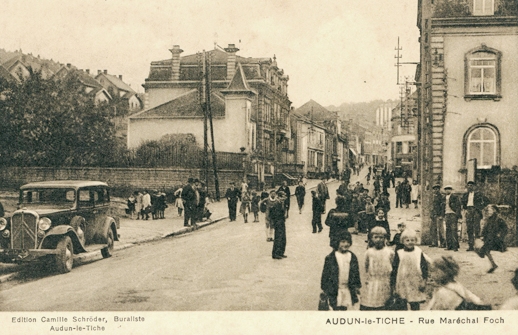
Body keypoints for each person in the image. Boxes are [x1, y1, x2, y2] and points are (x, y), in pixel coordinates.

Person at [320, 231, 361, 311]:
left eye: (348, 242)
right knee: (335, 307)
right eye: (343, 242)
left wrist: (357, 286)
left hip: (348, 288)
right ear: (337, 242)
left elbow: (356, 272)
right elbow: (325, 274)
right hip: (335, 289)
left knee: (347, 307)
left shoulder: (352, 257)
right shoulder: (331, 258)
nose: (346, 244)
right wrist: (325, 288)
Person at [390, 228, 430, 310]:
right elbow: (395, 268)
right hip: (402, 282)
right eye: (407, 240)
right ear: (403, 241)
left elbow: (424, 266)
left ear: (415, 241)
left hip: (415, 281)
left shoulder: (418, 252)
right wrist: (393, 284)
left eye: (412, 240)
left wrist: (424, 280)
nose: (410, 242)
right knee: (401, 302)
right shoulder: (399, 253)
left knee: (415, 303)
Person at [361, 226, 395, 310]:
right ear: (371, 238)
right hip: (372, 281)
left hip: (385, 281)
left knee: (384, 303)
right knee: (371, 303)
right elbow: (365, 267)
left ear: (385, 239)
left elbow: (393, 266)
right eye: (376, 237)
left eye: (381, 237)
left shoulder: (389, 252)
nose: (378, 239)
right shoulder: (369, 252)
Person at [479, 204, 508, 273]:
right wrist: (482, 235)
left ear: (494, 211)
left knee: (485, 250)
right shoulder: (488, 219)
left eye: (490, 211)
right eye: (488, 211)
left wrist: (500, 236)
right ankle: (493, 264)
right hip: (488, 238)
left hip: (494, 238)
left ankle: (493, 265)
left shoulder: (498, 219)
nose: (488, 212)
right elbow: (485, 228)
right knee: (485, 251)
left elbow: (505, 228)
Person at [461, 181, 489, 252]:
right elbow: (463, 202)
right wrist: (465, 208)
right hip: (468, 211)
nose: (470, 187)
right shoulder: (465, 195)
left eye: (471, 185)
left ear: (474, 187)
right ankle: (471, 246)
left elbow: (487, 201)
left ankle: (477, 246)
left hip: (476, 211)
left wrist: (480, 207)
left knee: (476, 228)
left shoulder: (479, 194)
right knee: (469, 228)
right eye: (468, 185)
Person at [443, 185, 462, 252]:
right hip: (446, 214)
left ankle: (455, 246)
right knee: (448, 230)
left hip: (453, 214)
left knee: (454, 230)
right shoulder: (444, 197)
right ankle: (449, 246)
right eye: (446, 189)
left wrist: (457, 214)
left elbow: (458, 206)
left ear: (451, 190)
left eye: (449, 189)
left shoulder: (455, 197)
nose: (447, 190)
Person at [271, 191, 288, 259]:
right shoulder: (276, 203)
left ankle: (281, 252)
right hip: (278, 222)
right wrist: (275, 222)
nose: (284, 198)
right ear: (279, 197)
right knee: (278, 238)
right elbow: (272, 214)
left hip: (282, 222)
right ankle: (276, 253)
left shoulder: (281, 203)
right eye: (283, 196)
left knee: (283, 238)